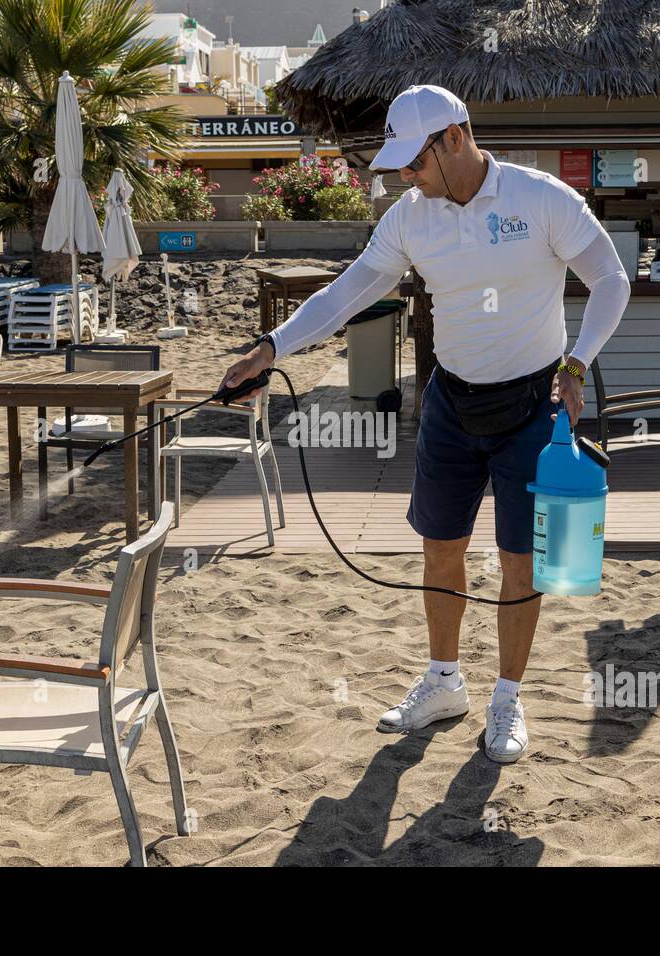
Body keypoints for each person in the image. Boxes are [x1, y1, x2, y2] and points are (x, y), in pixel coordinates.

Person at [222, 85, 629, 763]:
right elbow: (349, 290)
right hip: (450, 404)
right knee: (440, 547)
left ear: (456, 139)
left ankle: (507, 697)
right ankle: (444, 681)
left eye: (415, 161)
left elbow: (611, 278)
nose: (406, 176)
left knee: (518, 560)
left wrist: (579, 362)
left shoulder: (542, 199)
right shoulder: (412, 216)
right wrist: (272, 348)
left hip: (532, 405)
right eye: (401, 165)